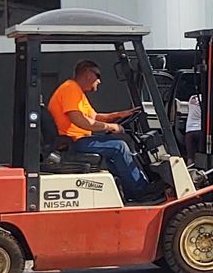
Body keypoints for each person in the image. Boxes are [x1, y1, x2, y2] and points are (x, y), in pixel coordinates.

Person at [47, 60, 157, 201]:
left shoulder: (77, 92)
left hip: (77, 140)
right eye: (97, 75)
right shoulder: (70, 88)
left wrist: (118, 115)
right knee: (119, 147)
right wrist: (111, 127)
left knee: (114, 146)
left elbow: (94, 117)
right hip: (72, 142)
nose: (99, 81)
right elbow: (79, 120)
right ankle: (142, 191)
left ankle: (129, 192)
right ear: (87, 73)